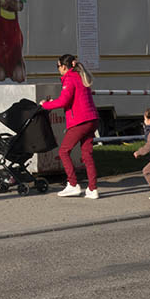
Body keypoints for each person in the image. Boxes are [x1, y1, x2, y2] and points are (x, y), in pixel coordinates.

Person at [40, 54, 100, 199]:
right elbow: (71, 99)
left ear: (64, 66)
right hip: (92, 119)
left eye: (58, 66)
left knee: (63, 152)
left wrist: (45, 105)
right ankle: (92, 189)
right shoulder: (80, 76)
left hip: (80, 121)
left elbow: (63, 101)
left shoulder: (70, 78)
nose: (58, 69)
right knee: (87, 155)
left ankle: (73, 184)